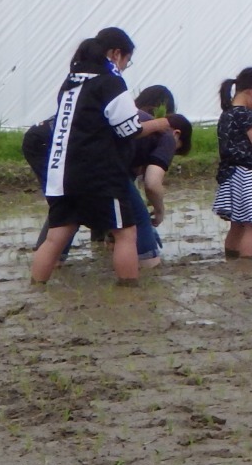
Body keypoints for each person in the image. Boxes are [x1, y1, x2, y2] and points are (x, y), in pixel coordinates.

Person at [31, 29, 172, 285]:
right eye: (127, 61)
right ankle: (128, 291)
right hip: (99, 172)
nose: (125, 67)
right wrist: (163, 123)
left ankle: (36, 288)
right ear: (116, 54)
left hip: (61, 171)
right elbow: (128, 129)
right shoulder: (110, 82)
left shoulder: (71, 81)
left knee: (56, 236)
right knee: (126, 233)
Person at [125, 85, 190, 268]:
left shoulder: (132, 114)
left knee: (67, 219)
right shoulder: (167, 135)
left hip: (76, 162)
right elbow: (152, 183)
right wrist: (159, 211)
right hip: (109, 170)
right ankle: (150, 268)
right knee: (140, 219)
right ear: (177, 135)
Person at [215, 68, 252, 259]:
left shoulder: (227, 114)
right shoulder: (246, 114)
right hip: (246, 174)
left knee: (237, 223)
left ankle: (231, 260)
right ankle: (247, 266)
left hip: (229, 174)